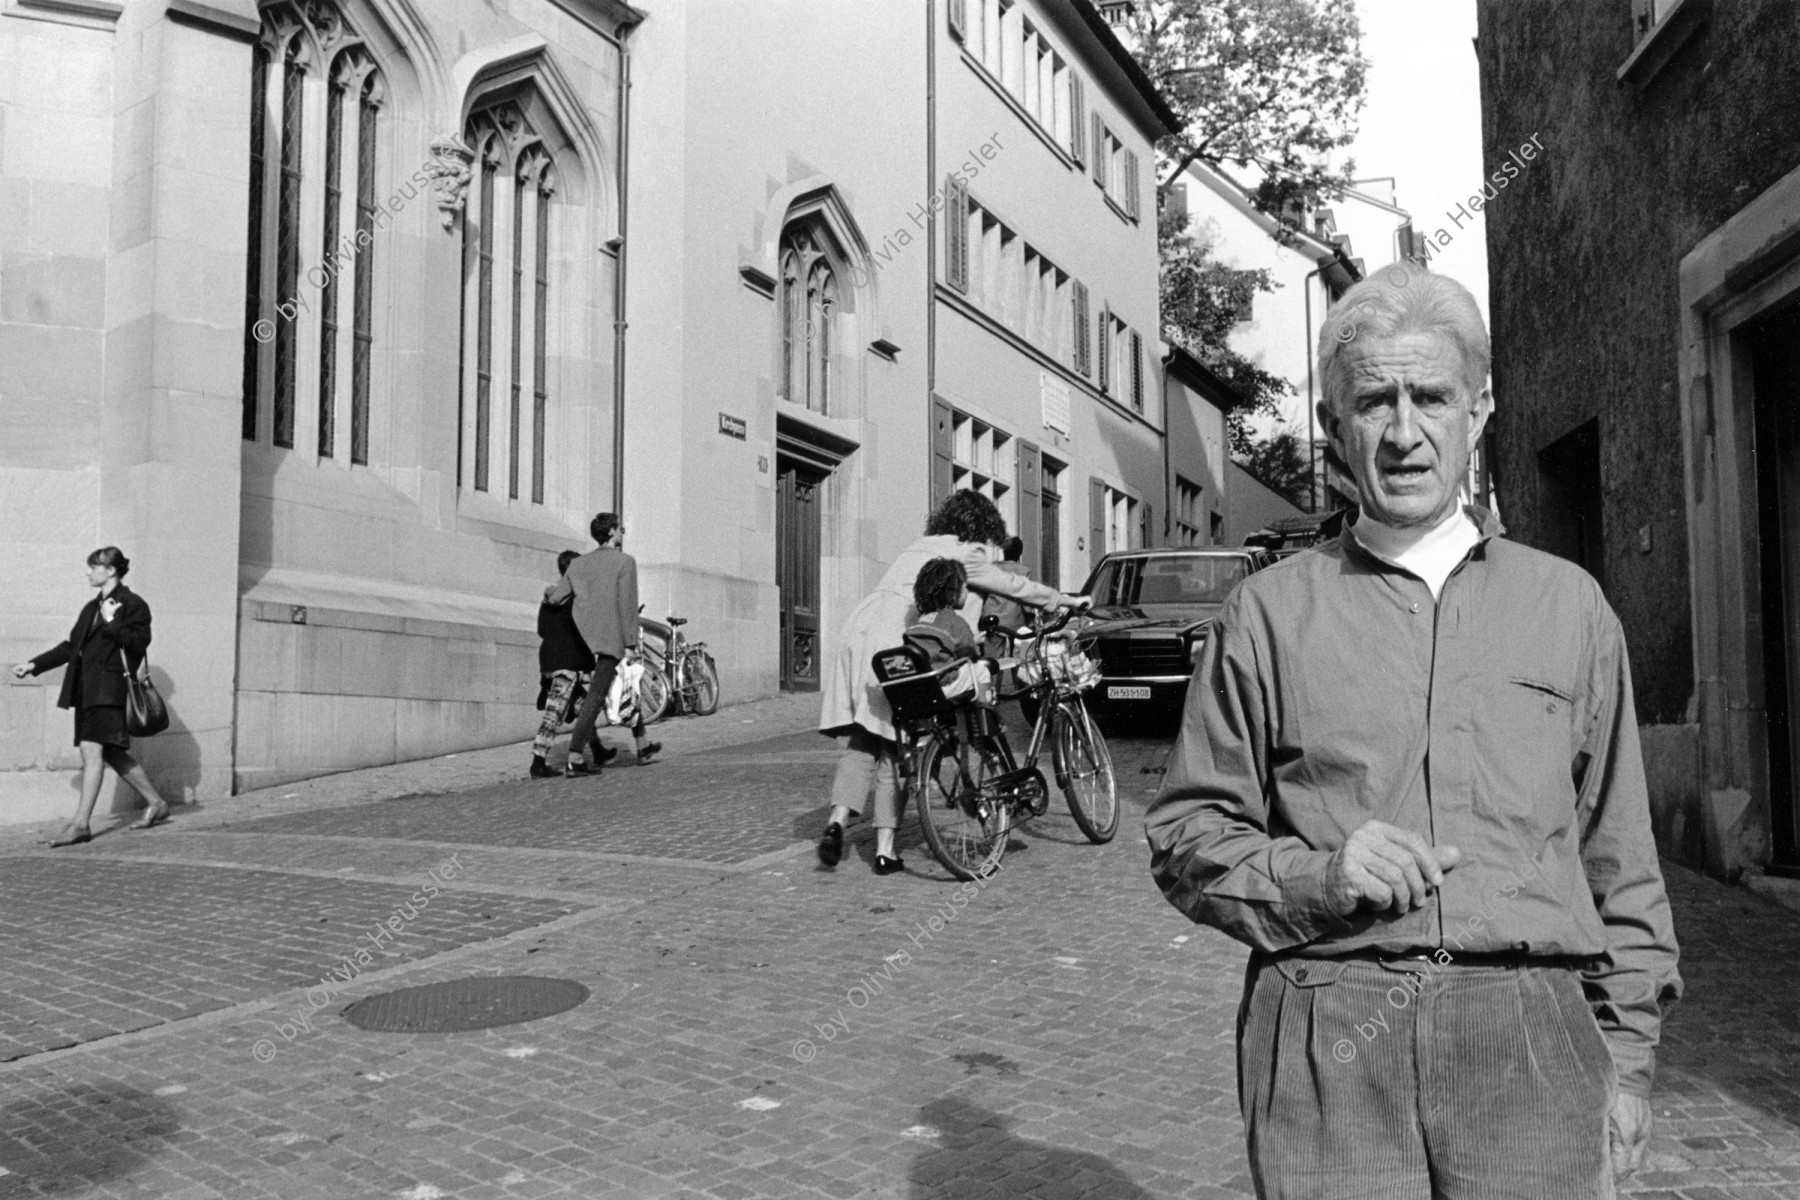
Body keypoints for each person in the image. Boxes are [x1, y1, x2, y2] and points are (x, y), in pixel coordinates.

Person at [1143, 263, 1682, 1198]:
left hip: (1529, 1035)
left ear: (1478, 415)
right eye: (1372, 401)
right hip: (1327, 1034)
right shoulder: (1266, 616)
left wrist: (1627, 1065)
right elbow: (1186, 838)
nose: (1402, 432)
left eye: (1431, 397)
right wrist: (1323, 873)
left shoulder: (1571, 609)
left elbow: (1620, 858)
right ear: (1332, 427)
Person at [816, 490, 1086, 875]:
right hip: (897, 637)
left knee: (865, 737)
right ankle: (885, 850)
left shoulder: (917, 545)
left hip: (859, 631)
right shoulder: (965, 553)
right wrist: (1064, 601)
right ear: (979, 529)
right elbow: (1015, 586)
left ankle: (837, 821)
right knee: (897, 745)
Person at [13, 547, 173, 846]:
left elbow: (139, 644)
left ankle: (81, 825)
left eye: (93, 566)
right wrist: (35, 664)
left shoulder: (133, 604)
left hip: (110, 690)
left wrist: (112, 622)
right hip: (86, 691)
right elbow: (70, 647)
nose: (88, 572)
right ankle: (156, 802)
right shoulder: (90, 608)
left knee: (90, 749)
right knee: (111, 751)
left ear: (111, 570)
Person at [544, 513, 658, 776]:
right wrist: (631, 642)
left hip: (583, 640)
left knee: (623, 689)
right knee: (597, 698)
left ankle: (642, 745)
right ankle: (575, 756)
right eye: (620, 529)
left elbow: (557, 597)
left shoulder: (578, 564)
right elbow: (627, 606)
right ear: (611, 532)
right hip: (610, 640)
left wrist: (548, 592)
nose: (623, 532)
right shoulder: (625, 562)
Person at [530, 550, 597, 779]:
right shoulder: (575, 600)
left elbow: (542, 630)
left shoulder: (549, 598)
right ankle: (538, 762)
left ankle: (598, 750)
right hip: (567, 664)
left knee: (584, 707)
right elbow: (583, 633)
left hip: (550, 660)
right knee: (554, 714)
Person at [903, 557, 989, 704]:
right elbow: (970, 653)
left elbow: (937, 646)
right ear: (953, 592)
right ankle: (988, 717)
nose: (967, 592)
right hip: (941, 685)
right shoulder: (955, 622)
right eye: (966, 587)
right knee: (981, 671)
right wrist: (974, 645)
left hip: (920, 685)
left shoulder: (920, 621)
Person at [979, 536, 1032, 658]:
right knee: (1019, 658)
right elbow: (1026, 599)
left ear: (1003, 552)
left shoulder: (991, 569)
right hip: (1015, 622)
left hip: (992, 620)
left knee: (993, 660)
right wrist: (1031, 618)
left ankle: (994, 677)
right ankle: (1016, 676)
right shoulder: (1023, 571)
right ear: (1019, 554)